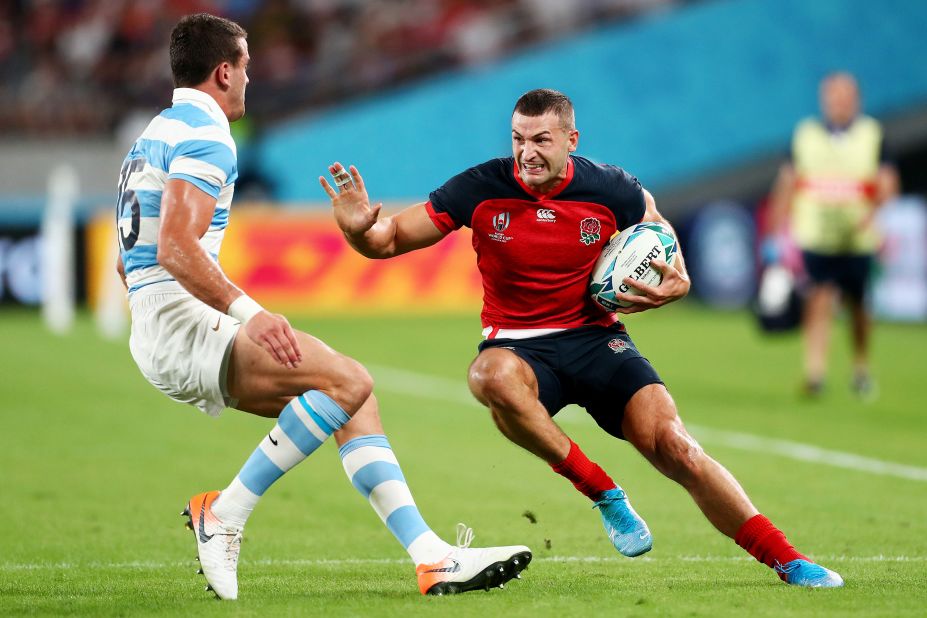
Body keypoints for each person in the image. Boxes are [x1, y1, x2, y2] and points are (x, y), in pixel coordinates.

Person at [321, 88, 844, 588]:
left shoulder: (611, 187)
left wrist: (678, 278)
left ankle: (788, 560)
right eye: (518, 139)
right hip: (518, 345)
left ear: (571, 140)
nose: (526, 152)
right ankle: (603, 491)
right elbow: (387, 240)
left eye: (540, 140)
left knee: (678, 448)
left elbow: (659, 233)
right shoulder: (479, 187)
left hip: (596, 340)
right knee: (489, 378)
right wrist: (358, 231)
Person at [115, 13, 530, 601]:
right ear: (224, 71)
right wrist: (248, 312)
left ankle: (432, 558)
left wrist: (161, 310)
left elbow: (125, 259)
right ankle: (224, 513)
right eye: (248, 68)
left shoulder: (154, 133)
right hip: (183, 320)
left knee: (352, 398)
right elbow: (176, 246)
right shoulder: (207, 137)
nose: (251, 81)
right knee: (347, 382)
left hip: (155, 322)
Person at [767, 72, 899, 398]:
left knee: (858, 306)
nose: (838, 103)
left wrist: (875, 213)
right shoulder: (806, 135)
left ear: (856, 100)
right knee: (818, 299)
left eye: (844, 96)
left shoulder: (872, 134)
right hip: (817, 236)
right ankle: (815, 372)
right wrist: (773, 232)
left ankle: (860, 366)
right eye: (832, 96)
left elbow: (888, 182)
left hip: (857, 238)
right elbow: (787, 183)